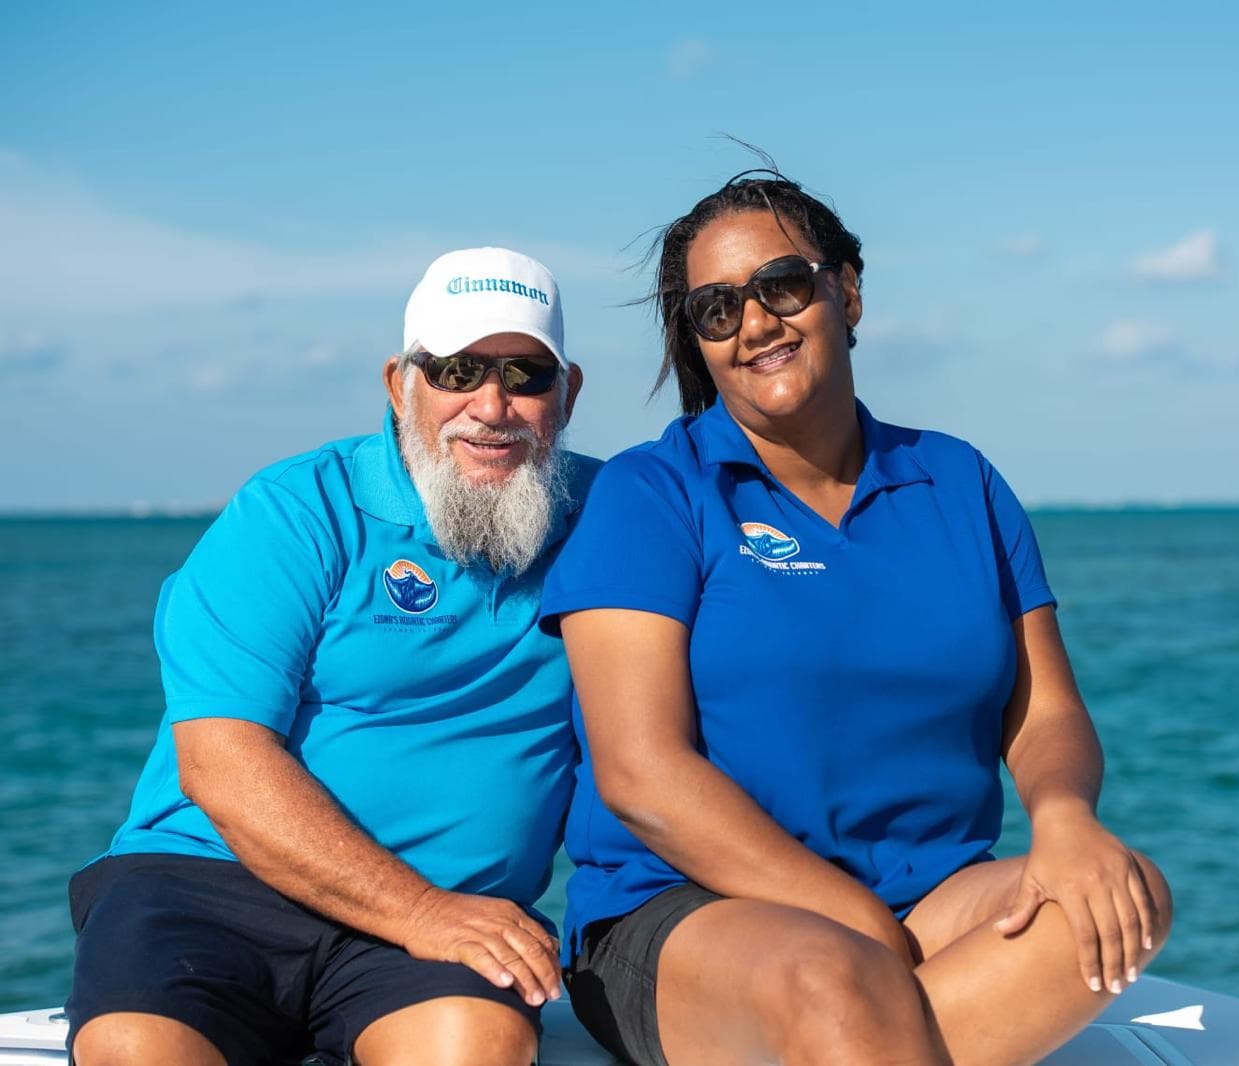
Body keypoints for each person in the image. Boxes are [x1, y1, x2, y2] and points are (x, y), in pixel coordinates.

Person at [536, 172, 1174, 1066]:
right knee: (834, 983)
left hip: (926, 899)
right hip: (685, 909)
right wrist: (857, 922)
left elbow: (1046, 714)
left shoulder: (961, 482)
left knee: (1118, 895)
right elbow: (643, 776)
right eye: (717, 310)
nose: (754, 322)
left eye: (781, 286)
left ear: (848, 290)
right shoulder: (652, 495)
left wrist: (1065, 819)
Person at [66, 247, 595, 1066]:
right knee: (137, 1049)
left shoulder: (615, 521)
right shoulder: (296, 511)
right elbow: (222, 760)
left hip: (447, 917)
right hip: (210, 885)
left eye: (526, 374)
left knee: (477, 1046)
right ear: (400, 383)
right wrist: (418, 910)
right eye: (456, 369)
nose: (491, 405)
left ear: (568, 393)